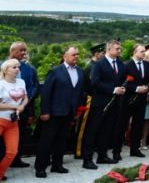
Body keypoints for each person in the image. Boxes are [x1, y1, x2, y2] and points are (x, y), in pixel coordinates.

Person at [34, 46, 85, 178]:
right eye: (74, 54)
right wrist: (45, 111)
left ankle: (57, 165)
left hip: (69, 112)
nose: (76, 57)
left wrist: (78, 109)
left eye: (77, 55)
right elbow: (46, 92)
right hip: (53, 112)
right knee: (47, 140)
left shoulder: (80, 71)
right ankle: (40, 167)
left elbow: (79, 92)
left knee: (62, 140)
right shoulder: (55, 71)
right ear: (65, 56)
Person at [84, 40, 126, 167]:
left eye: (120, 48)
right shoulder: (99, 64)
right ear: (109, 50)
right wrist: (113, 90)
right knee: (93, 130)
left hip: (115, 103)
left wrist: (123, 88)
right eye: (117, 49)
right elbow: (95, 83)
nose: (120, 51)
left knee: (107, 130)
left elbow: (122, 79)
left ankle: (102, 155)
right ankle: (87, 159)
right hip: (100, 103)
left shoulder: (120, 63)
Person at [8, 41, 38, 169]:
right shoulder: (2, 66)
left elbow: (34, 87)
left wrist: (26, 101)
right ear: (13, 52)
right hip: (5, 109)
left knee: (19, 135)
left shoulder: (30, 69)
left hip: (23, 108)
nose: (24, 53)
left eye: (25, 50)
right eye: (21, 50)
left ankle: (16, 160)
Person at [74, 43, 104, 164]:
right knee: (83, 127)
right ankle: (78, 151)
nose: (104, 55)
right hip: (88, 99)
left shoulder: (97, 65)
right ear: (97, 54)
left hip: (95, 100)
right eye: (102, 53)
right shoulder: (91, 66)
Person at [122, 44, 149, 158]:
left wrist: (147, 87)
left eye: (144, 51)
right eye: (141, 51)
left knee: (138, 125)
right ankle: (117, 151)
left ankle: (135, 149)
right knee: (123, 124)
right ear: (135, 52)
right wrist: (136, 88)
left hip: (141, 100)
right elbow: (124, 82)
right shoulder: (126, 65)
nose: (144, 53)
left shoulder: (146, 64)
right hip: (128, 100)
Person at [0, 59, 28, 181]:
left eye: (18, 67)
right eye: (14, 67)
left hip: (13, 122)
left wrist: (22, 106)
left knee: (12, 152)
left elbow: (25, 97)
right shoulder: (1, 84)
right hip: (1, 119)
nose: (18, 69)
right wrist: (15, 106)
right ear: (6, 70)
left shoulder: (21, 82)